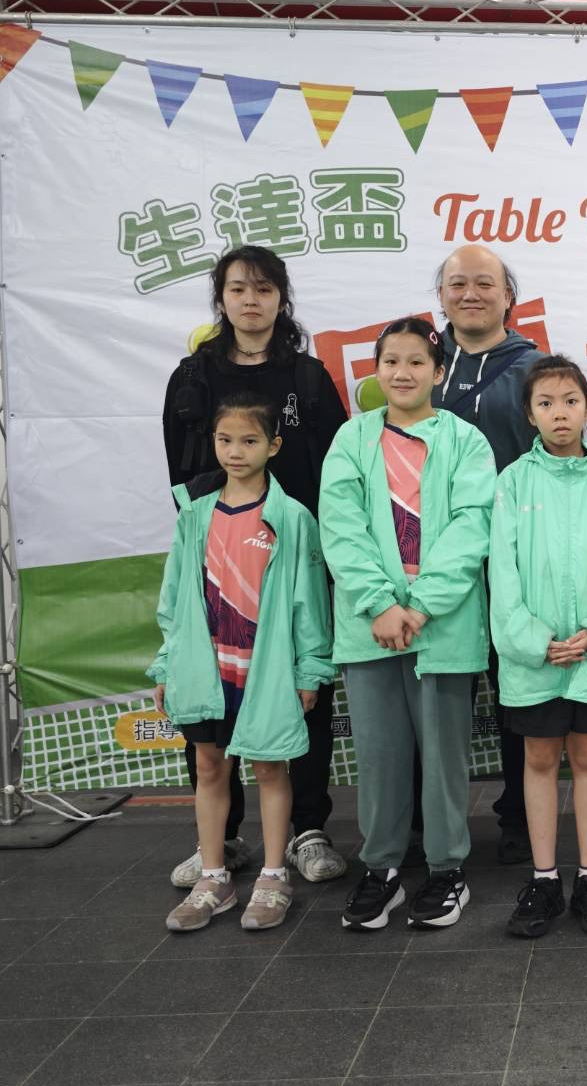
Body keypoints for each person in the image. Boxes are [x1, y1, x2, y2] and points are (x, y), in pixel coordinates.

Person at [161, 245, 349, 888]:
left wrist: (313, 547)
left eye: (264, 289)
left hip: (295, 558)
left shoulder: (307, 377)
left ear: (281, 299)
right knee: (213, 696)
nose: (250, 300)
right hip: (219, 562)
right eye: (238, 288)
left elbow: (337, 470)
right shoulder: (193, 376)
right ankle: (223, 838)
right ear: (221, 298)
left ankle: (308, 829)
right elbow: (180, 472)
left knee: (303, 692)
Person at [319, 317, 496, 930]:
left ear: (438, 372)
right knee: (379, 755)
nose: (402, 372)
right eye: (391, 361)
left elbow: (472, 527)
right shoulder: (352, 439)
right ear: (376, 370)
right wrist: (380, 604)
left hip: (440, 627)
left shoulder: (467, 442)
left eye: (417, 362)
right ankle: (382, 869)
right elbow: (340, 526)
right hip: (369, 629)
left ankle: (447, 870)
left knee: (444, 758)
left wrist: (420, 606)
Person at [150, 395, 333, 932]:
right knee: (210, 767)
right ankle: (214, 878)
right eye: (225, 440)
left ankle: (274, 876)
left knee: (271, 767)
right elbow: (174, 598)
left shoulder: (292, 518)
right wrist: (167, 664)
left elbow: (309, 603)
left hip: (265, 672)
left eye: (249, 440)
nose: (235, 451)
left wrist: (309, 669)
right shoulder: (195, 514)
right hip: (206, 670)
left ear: (273, 446)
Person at [493, 356, 587, 939]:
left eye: (571, 401)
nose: (560, 413)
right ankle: (544, 878)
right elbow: (502, 573)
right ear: (529, 415)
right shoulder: (513, 481)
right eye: (546, 403)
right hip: (535, 658)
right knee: (537, 759)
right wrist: (535, 640)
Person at [433, 244, 544, 865]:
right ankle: (430, 822)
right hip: (433, 558)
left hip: (512, 558)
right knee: (437, 692)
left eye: (484, 283)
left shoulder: (533, 369)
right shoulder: (420, 363)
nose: (470, 294)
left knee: (516, 687)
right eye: (457, 284)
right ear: (441, 296)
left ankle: (521, 817)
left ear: (509, 297)